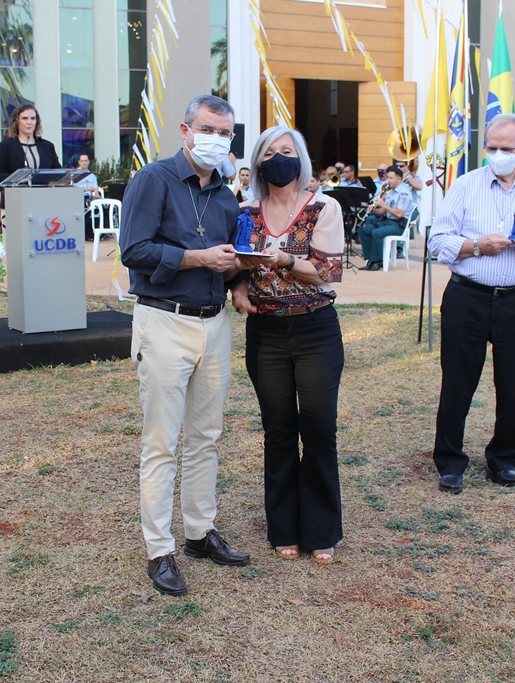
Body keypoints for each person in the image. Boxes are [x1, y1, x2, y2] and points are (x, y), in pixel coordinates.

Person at [119, 94, 250, 597]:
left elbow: (228, 263)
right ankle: (159, 549)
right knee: (161, 442)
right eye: (207, 129)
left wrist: (242, 272)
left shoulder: (226, 196)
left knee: (206, 436)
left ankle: (199, 531)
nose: (216, 139)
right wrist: (198, 259)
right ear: (185, 130)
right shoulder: (153, 179)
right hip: (164, 321)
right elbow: (134, 250)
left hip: (214, 324)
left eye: (225, 133)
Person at [428, 113, 515, 495]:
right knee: (457, 382)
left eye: (507, 148)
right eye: (491, 147)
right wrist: (477, 246)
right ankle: (450, 462)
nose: (498, 154)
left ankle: (503, 460)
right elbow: (438, 241)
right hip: (467, 296)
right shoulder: (465, 186)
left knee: (514, 384)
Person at [231, 125, 346, 566]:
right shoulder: (246, 210)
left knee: (318, 430)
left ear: (300, 157)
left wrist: (284, 259)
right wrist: (238, 287)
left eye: (286, 150)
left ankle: (320, 530)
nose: (278, 159)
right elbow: (236, 264)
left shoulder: (323, 207)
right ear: (258, 163)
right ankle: (283, 527)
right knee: (278, 431)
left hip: (315, 329)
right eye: (268, 153)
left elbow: (327, 271)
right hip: (266, 331)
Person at [359, 165, 416, 271]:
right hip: (387, 222)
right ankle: (369, 259)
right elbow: (383, 212)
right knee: (364, 230)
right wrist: (373, 210)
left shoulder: (404, 193)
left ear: (399, 179)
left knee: (376, 233)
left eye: (391, 178)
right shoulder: (390, 192)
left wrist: (383, 204)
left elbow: (399, 214)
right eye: (388, 177)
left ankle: (377, 261)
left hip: (398, 225)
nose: (388, 180)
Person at [0, 104, 61, 185]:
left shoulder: (48, 146)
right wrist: (18, 178)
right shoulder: (5, 146)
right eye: (25, 118)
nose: (29, 122)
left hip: (43, 192)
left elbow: (58, 173)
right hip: (16, 192)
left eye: (33, 118)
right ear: (17, 121)